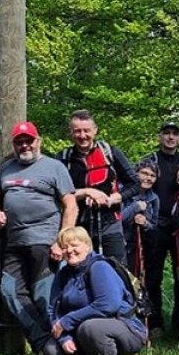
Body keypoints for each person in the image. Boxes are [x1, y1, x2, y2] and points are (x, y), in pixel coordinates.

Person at [0, 122, 77, 352]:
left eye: (29, 140)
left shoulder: (54, 167)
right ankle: (44, 343)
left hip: (45, 242)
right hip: (15, 242)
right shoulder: (7, 168)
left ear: (38, 141)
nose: (25, 145)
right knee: (9, 290)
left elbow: (71, 205)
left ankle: (62, 347)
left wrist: (60, 240)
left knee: (45, 296)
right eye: (19, 141)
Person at [41, 226, 148, 355]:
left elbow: (108, 305)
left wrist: (67, 321)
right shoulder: (63, 274)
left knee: (90, 327)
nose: (69, 250)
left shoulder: (99, 267)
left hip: (123, 328)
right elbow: (53, 309)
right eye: (64, 247)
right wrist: (64, 337)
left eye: (74, 245)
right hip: (78, 332)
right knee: (51, 351)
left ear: (87, 246)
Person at [57, 110, 138, 265]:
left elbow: (134, 183)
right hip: (78, 227)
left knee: (117, 272)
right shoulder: (63, 158)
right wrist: (86, 192)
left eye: (86, 131)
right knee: (81, 273)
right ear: (71, 133)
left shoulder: (110, 153)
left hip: (110, 225)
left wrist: (115, 197)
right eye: (77, 131)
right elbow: (56, 193)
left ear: (95, 130)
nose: (82, 136)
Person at [141, 122, 179, 334]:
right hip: (155, 225)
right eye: (166, 133)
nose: (170, 137)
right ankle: (154, 321)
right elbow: (137, 184)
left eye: (175, 134)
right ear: (160, 137)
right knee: (153, 276)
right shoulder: (150, 161)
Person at [120, 161, 160, 286]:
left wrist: (145, 224)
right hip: (121, 244)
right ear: (135, 174)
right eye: (144, 173)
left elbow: (154, 225)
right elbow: (118, 219)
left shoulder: (154, 198)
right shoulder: (122, 191)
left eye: (152, 175)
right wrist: (136, 206)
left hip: (140, 248)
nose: (148, 178)